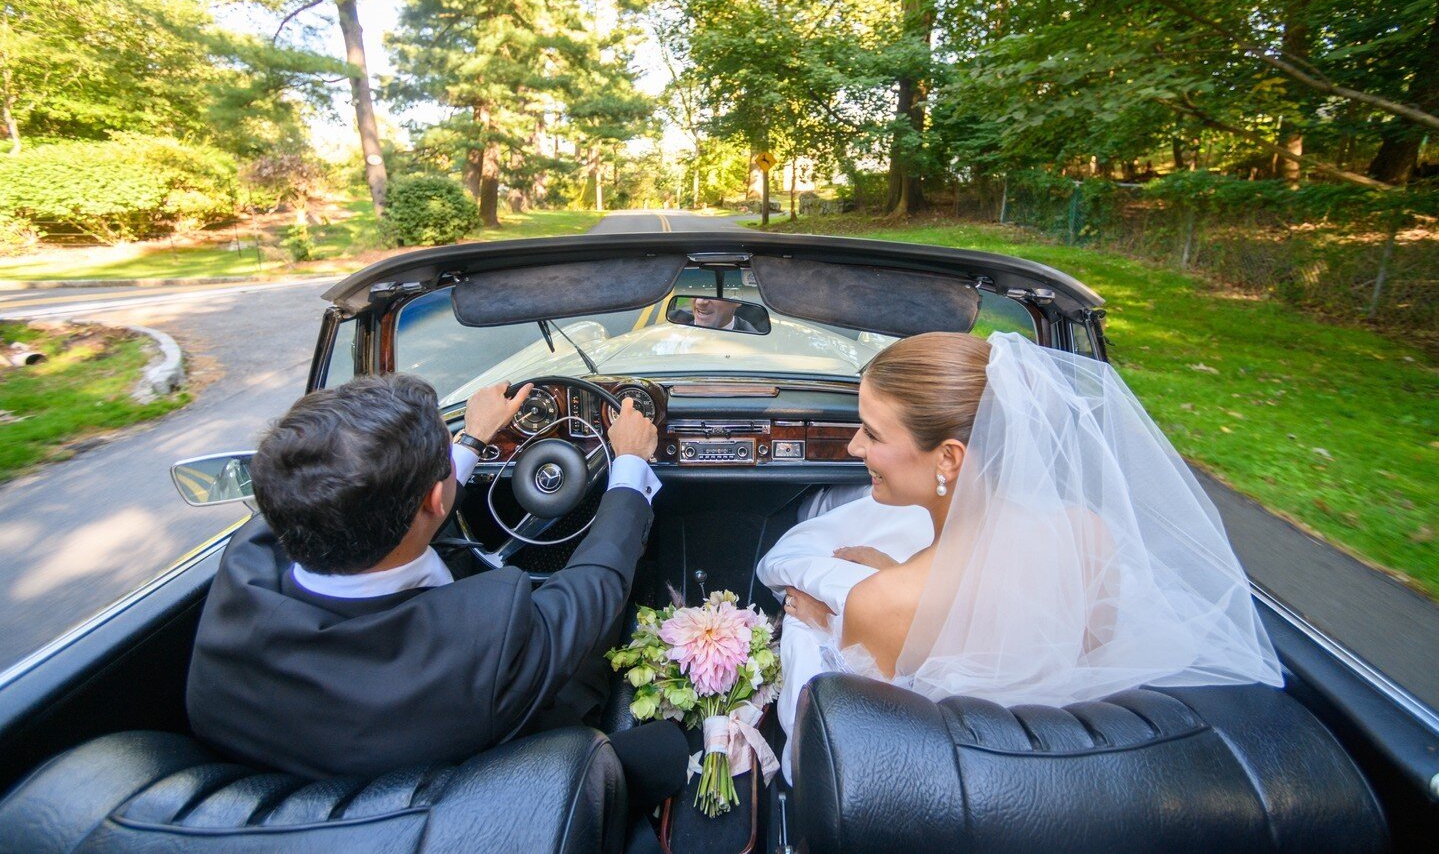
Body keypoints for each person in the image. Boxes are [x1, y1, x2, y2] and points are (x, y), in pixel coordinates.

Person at [186, 374, 687, 844]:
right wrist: (629, 464)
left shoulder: (244, 561)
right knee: (665, 749)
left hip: (301, 793)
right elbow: (595, 586)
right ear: (433, 497)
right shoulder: (483, 643)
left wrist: (469, 441)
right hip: (463, 797)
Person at [759, 331, 1282, 780]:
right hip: (1074, 777)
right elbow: (1076, 660)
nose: (853, 447)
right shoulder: (1088, 534)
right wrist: (897, 574)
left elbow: (866, 749)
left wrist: (828, 621)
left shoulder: (882, 603)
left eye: (871, 433)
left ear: (949, 457)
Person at [669, 296, 759, 332]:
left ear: (737, 301)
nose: (699, 302)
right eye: (695, 295)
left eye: (713, 295)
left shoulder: (754, 338)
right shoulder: (673, 321)